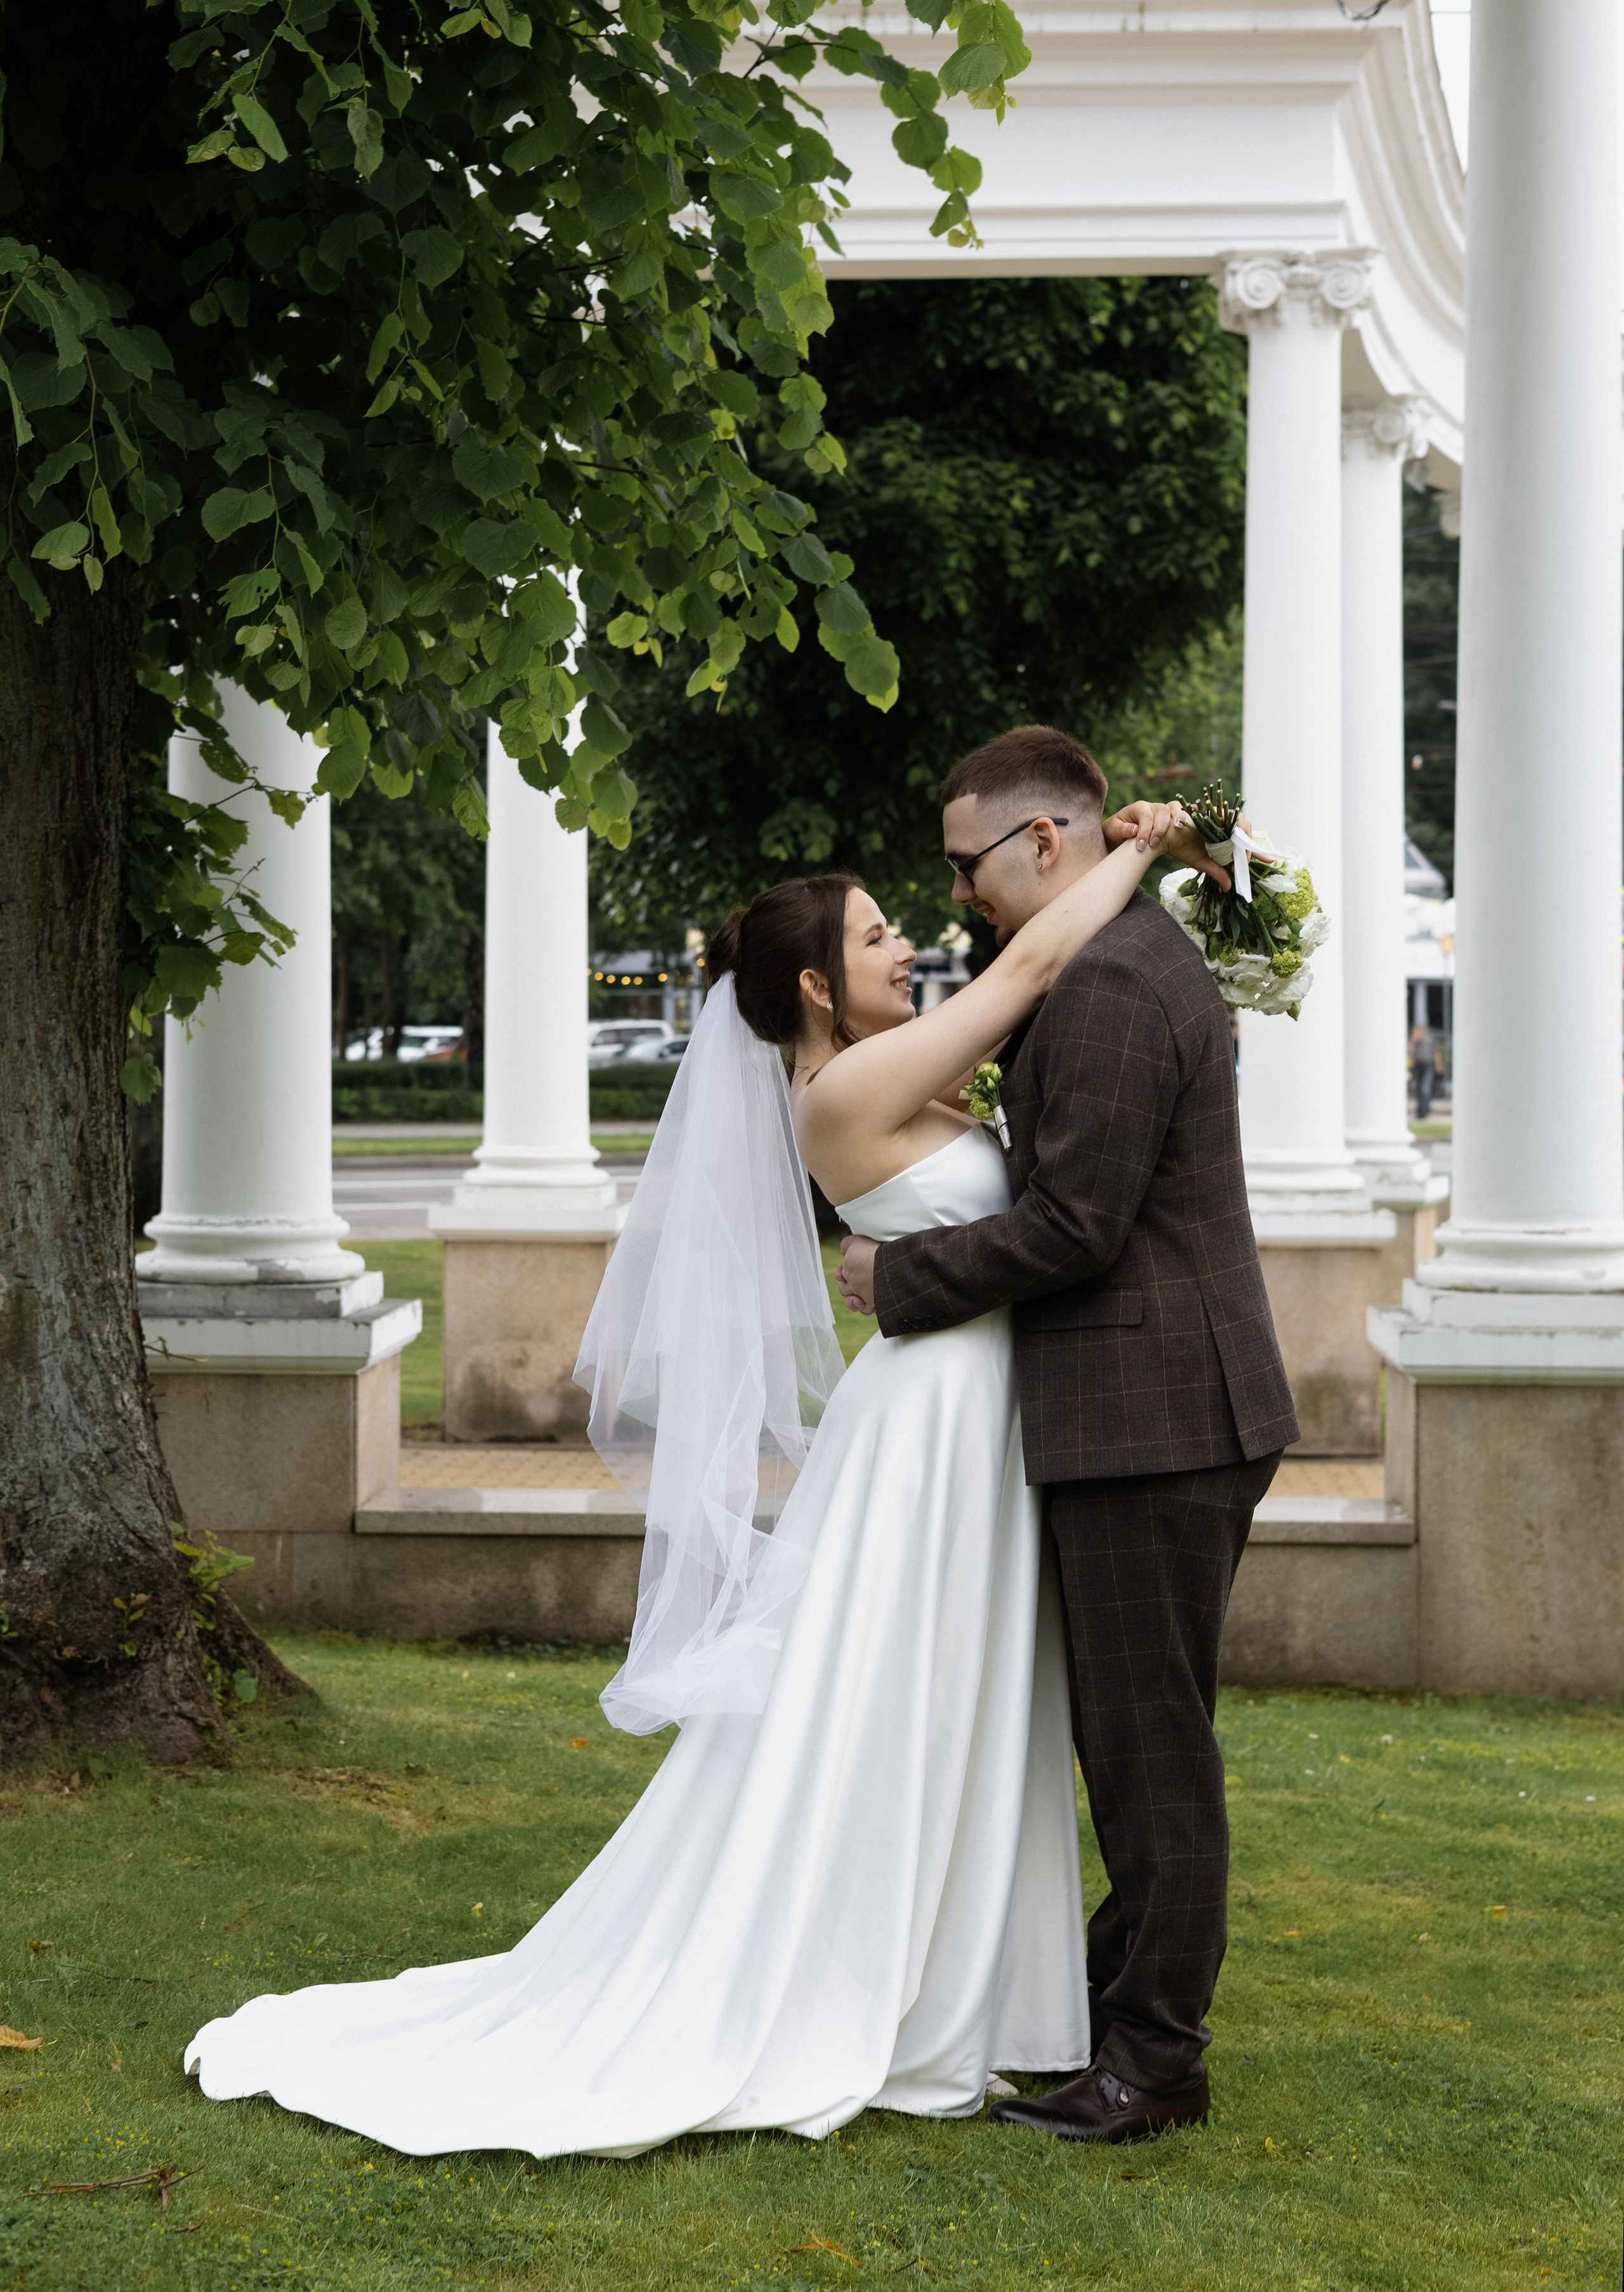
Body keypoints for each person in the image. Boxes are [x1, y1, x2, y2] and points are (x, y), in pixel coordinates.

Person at [183, 789, 1224, 2161]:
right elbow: (1031, 966)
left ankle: (976, 1979)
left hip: (982, 1412)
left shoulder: (897, 1066)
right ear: (815, 986)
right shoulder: (843, 1091)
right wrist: (1144, 847)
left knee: (963, 1699)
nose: (905, 944)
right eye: (873, 935)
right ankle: (887, 1980)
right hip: (934, 1426)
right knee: (896, 1697)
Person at [839, 724, 1299, 2145]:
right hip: (1164, 1406)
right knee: (1143, 1735)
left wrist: (895, 1279)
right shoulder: (1121, 951)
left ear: (1044, 841)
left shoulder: (1107, 984)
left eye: (964, 863)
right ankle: (1116, 2004)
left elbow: (1074, 1226)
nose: (955, 893)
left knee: (1149, 1752)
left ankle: (1152, 2061)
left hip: (1153, 1417)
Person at [1410, 1021, 1437, 1123]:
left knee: (1425, 1089)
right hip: (1417, 1066)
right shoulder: (1414, 1042)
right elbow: (1409, 1053)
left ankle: (1426, 1112)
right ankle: (1420, 1112)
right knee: (1418, 1089)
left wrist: (1439, 1066)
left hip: (1428, 1066)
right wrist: (1413, 1042)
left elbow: (1436, 1053)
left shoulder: (1429, 1040)